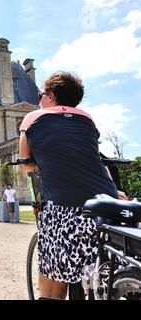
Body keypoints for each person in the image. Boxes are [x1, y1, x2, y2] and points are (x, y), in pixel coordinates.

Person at [18, 72, 128, 300]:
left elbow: (26, 164)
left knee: (52, 282)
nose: (39, 100)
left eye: (41, 95)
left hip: (64, 207)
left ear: (51, 95)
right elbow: (93, 157)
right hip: (106, 200)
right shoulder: (87, 119)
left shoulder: (32, 117)